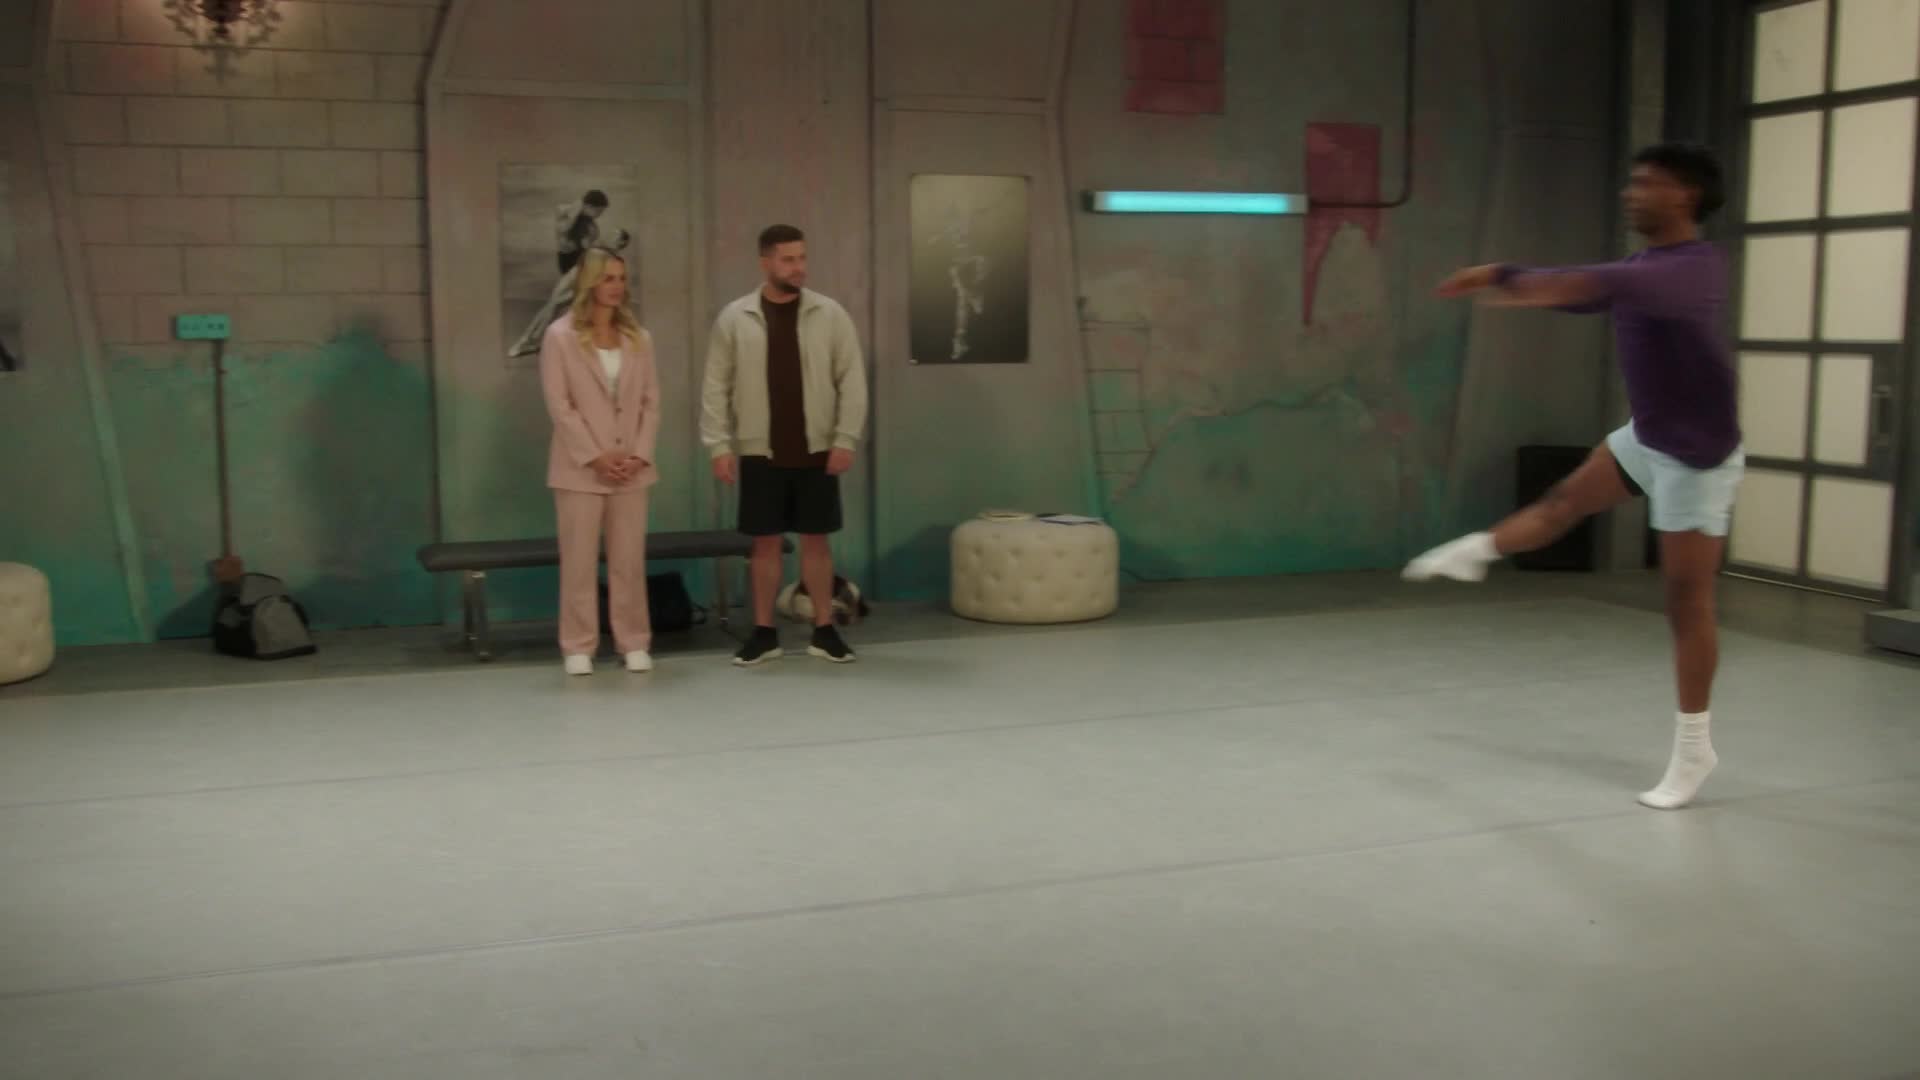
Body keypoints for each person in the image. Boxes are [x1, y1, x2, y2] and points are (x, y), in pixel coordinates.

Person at [1403, 142, 1743, 811]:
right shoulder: (1643, 267)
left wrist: (1504, 275)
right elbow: (1591, 295)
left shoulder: (1694, 268)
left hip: (1696, 456)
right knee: (1562, 503)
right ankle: (1478, 550)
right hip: (1649, 436)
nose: (1630, 193)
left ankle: (1694, 749)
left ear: (1686, 196)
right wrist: (1519, 285)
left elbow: (1588, 285)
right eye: (1631, 181)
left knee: (1686, 602)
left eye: (1647, 183)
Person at [700, 224, 868, 666]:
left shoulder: (829, 314)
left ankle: (824, 631)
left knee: (817, 541)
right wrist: (719, 445)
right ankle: (763, 633)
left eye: (802, 258)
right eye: (788, 259)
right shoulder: (735, 318)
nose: (798, 267)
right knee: (765, 544)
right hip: (760, 450)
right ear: (766, 262)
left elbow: (852, 380)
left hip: (817, 448)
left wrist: (845, 437)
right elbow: (715, 385)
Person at [538, 246, 662, 676]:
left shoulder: (638, 338)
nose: (616, 287)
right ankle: (578, 645)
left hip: (631, 469)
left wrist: (639, 454)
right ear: (588, 282)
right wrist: (595, 456)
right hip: (579, 470)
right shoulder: (560, 337)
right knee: (578, 562)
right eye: (608, 278)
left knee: (629, 561)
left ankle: (634, 641)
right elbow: (560, 405)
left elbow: (651, 403)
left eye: (621, 279)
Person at [510, 228, 632, 359]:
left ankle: (532, 341)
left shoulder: (611, 258)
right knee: (552, 306)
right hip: (573, 277)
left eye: (616, 236)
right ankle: (528, 340)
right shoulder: (599, 246)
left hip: (580, 282)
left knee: (557, 308)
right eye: (613, 233)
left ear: (620, 243)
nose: (611, 236)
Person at [555, 190, 609, 277]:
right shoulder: (570, 215)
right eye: (599, 211)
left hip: (573, 256)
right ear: (589, 206)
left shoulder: (588, 223)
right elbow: (563, 229)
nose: (599, 215)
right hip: (569, 258)